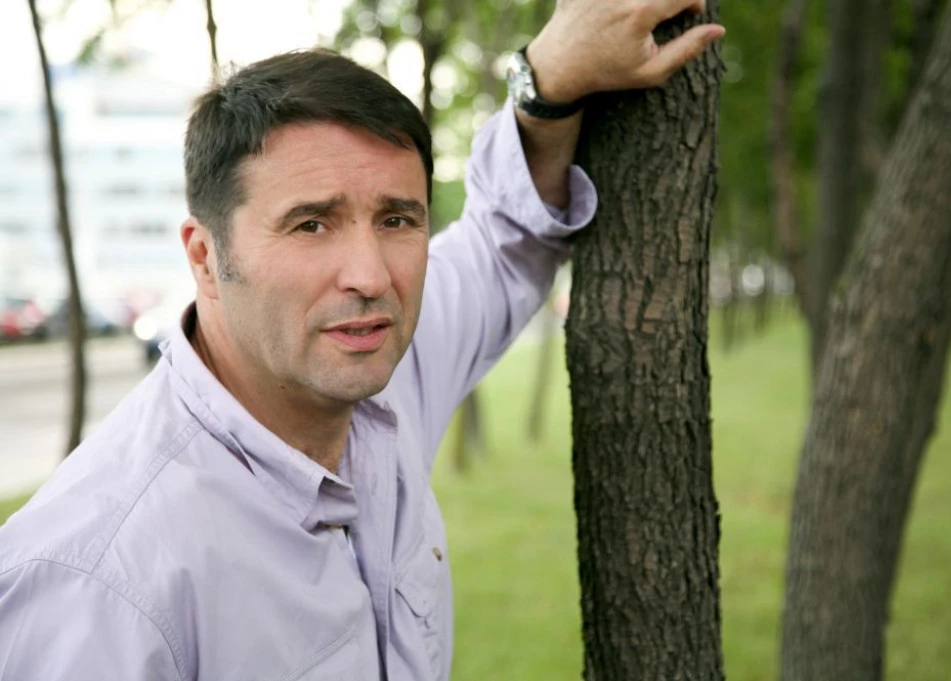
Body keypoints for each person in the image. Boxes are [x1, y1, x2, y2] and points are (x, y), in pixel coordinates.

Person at [0, 1, 723, 679]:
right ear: (205, 257)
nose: (371, 276)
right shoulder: (98, 580)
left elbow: (507, 238)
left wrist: (548, 82)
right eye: (311, 224)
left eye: (397, 219)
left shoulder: (376, 373)